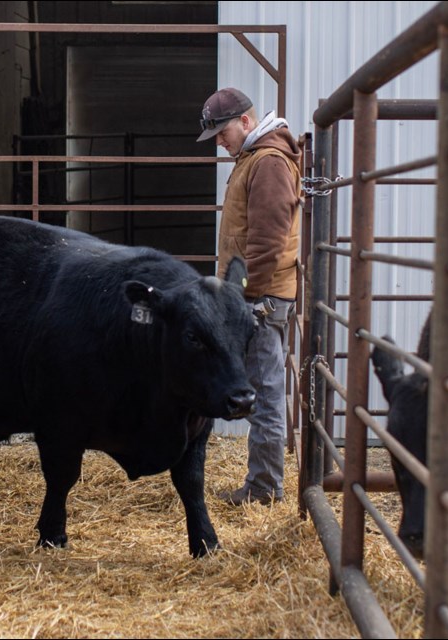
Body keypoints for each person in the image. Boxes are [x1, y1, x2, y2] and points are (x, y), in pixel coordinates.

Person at [197, 87, 302, 506]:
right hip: (257, 293)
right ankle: (263, 484)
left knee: (264, 389)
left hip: (263, 297)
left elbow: (268, 238)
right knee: (261, 386)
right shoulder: (255, 158)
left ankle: (264, 491)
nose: (219, 142)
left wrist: (249, 294)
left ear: (245, 122)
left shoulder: (269, 162)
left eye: (223, 132)